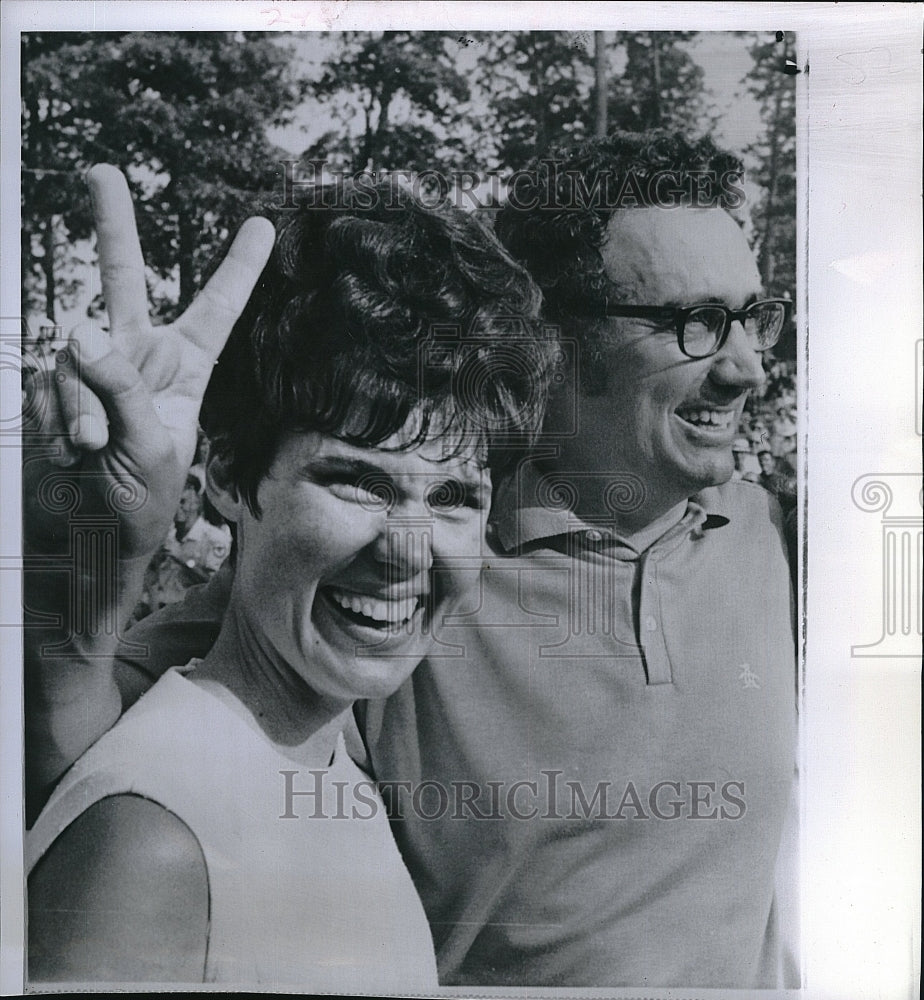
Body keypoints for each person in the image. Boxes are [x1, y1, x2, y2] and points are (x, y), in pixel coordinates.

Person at [24, 131, 798, 989]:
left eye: (752, 317)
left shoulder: (770, 530)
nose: (747, 368)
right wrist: (78, 547)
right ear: (565, 339)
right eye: (694, 323)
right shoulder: (404, 576)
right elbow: (98, 769)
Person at [24, 166, 553, 987]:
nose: (411, 549)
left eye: (454, 496)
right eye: (358, 480)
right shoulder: (153, 837)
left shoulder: (330, 757)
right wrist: (84, 547)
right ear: (231, 479)